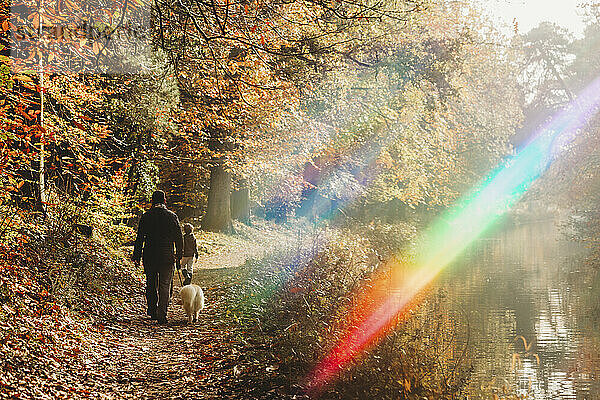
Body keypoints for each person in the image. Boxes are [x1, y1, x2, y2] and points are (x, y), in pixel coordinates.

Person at [132, 190, 183, 324]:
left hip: (149, 255)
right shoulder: (172, 216)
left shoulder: (146, 216)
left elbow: (140, 238)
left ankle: (152, 311)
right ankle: (162, 313)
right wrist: (179, 255)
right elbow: (179, 237)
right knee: (165, 285)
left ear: (152, 201)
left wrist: (136, 256)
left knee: (151, 283)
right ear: (164, 201)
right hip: (167, 256)